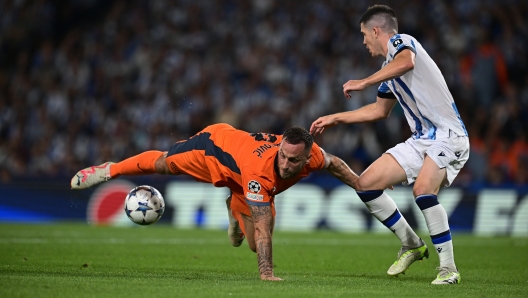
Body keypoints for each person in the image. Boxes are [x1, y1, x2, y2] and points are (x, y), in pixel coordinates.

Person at [71, 123, 360, 281]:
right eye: (282, 156)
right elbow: (261, 224)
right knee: (162, 163)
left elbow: (335, 164)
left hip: (243, 177)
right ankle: (110, 169)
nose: (285, 164)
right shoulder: (260, 170)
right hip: (213, 148)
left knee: (247, 244)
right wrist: (267, 274)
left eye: (293, 159)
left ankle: (234, 206)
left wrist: (361, 184)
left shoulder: (314, 155)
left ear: (308, 156)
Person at [310, 5, 469, 285]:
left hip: (448, 135)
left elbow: (407, 62)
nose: (363, 42)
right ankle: (412, 244)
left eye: (363, 34)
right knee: (366, 184)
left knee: (422, 190)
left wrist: (363, 81)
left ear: (375, 31)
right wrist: (335, 118)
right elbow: (378, 111)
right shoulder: (388, 72)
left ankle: (448, 269)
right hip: (422, 140)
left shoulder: (402, 42)